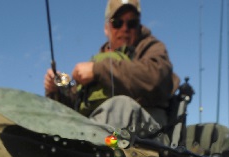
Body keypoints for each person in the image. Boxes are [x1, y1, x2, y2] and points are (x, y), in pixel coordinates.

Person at [43, 0, 180, 139]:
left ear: (138, 26)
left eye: (131, 23)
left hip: (151, 130)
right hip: (102, 129)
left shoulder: (151, 47)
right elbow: (74, 105)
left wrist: (98, 70)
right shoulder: (99, 59)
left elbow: (155, 77)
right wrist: (55, 91)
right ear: (106, 28)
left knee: (120, 108)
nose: (125, 28)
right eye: (117, 23)